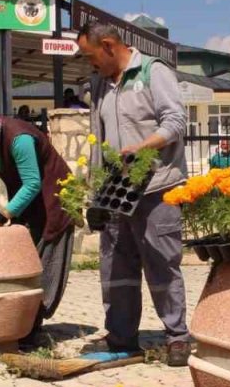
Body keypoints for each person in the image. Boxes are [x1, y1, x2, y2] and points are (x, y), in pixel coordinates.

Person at [74, 21, 191, 366]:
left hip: (157, 186)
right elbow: (99, 136)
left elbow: (175, 121)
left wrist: (142, 148)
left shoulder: (154, 72)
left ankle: (177, 337)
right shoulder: (99, 84)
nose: (88, 63)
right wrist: (96, 191)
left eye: (90, 55)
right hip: (115, 191)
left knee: (161, 263)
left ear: (109, 45)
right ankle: (122, 338)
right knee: (116, 268)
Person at [0, 91, 74, 346]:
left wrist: (4, 215)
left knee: (44, 261)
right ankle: (22, 321)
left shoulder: (19, 138)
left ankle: (32, 326)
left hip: (55, 197)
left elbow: (32, 183)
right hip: (27, 200)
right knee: (23, 260)